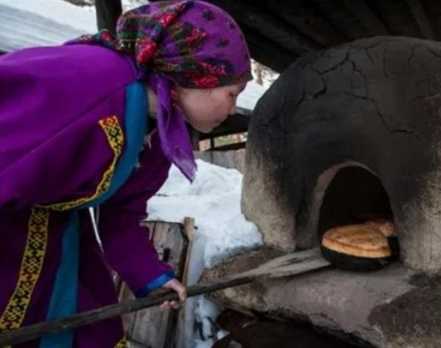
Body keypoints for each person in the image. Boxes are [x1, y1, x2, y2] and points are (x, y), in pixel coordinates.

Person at [0, 1, 252, 347]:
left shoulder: (157, 131)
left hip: (53, 236)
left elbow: (121, 213)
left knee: (88, 334)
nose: (234, 107)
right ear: (196, 74)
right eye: (232, 93)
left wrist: (149, 276)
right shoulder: (93, 88)